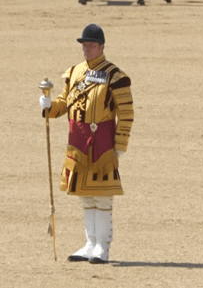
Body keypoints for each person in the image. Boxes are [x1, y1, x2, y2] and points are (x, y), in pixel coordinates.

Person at [39, 24, 134, 262]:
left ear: (102, 47)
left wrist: (120, 143)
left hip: (102, 142)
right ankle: (90, 244)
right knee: (85, 195)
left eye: (92, 45)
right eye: (85, 45)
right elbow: (64, 103)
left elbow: (126, 113)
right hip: (78, 141)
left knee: (102, 196)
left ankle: (103, 245)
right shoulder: (74, 73)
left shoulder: (115, 76)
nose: (87, 49)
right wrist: (50, 107)